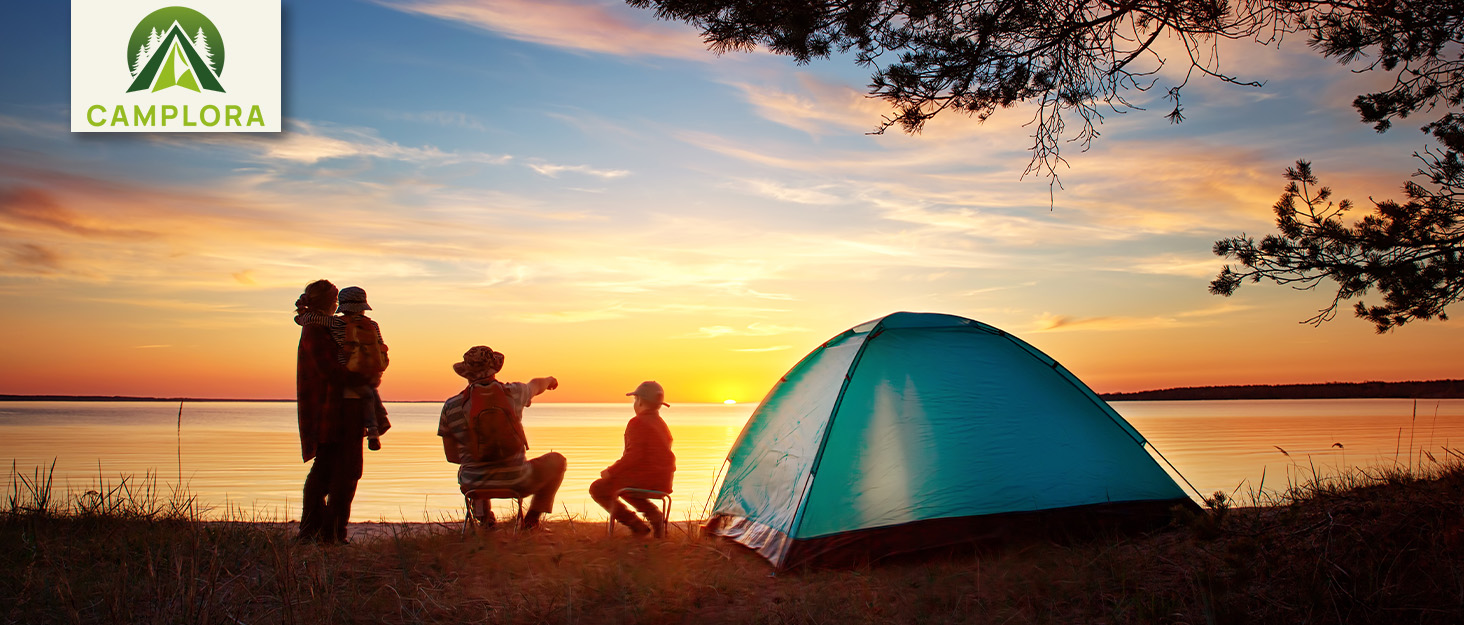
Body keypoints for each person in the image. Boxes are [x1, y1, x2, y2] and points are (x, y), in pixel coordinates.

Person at [438, 345, 564, 531]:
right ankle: (531, 521)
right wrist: (550, 380)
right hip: (517, 481)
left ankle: (484, 519)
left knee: (472, 465)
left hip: (473, 484)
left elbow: (452, 457)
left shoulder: (451, 406)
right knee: (557, 461)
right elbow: (535, 385)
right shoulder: (514, 393)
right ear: (495, 369)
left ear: (466, 373)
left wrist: (482, 458)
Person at [293, 279, 363, 544]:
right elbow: (331, 372)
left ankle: (324, 532)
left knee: (337, 472)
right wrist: (363, 376)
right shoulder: (316, 330)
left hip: (340, 409)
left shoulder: (325, 327)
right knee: (336, 473)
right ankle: (323, 532)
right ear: (332, 302)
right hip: (333, 411)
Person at [294, 286, 390, 451]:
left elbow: (310, 320)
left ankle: (374, 429)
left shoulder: (335, 322)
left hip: (349, 371)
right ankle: (375, 428)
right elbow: (382, 347)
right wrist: (377, 368)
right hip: (367, 374)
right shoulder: (373, 325)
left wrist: (302, 313)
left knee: (367, 395)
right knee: (369, 395)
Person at [590, 381, 676, 537]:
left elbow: (633, 455)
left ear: (641, 401)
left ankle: (636, 525)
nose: (634, 403)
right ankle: (653, 514)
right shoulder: (661, 424)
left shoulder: (637, 422)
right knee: (622, 482)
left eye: (635, 400)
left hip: (645, 479)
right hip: (664, 480)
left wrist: (611, 471)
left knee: (598, 488)